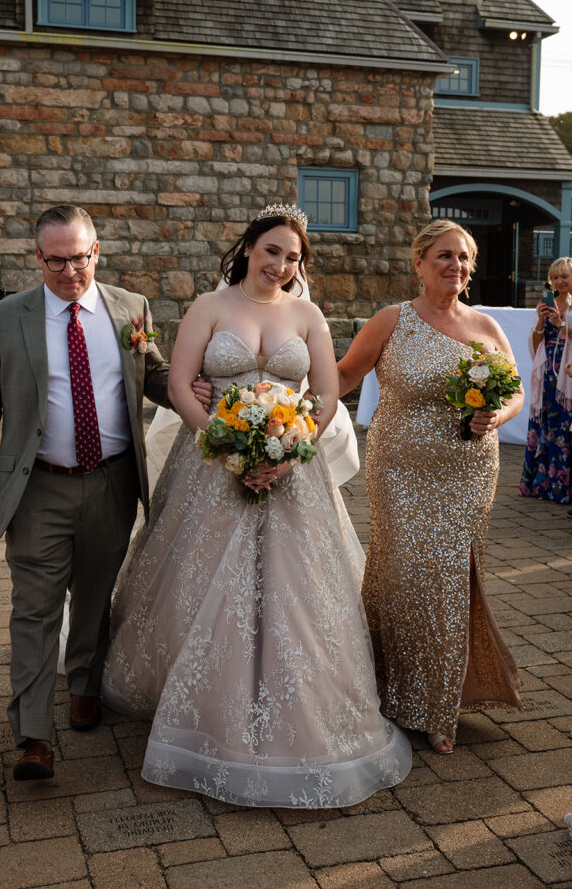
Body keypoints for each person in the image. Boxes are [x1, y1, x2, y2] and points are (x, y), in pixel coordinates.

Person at [101, 204, 412, 809]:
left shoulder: (308, 313)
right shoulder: (210, 308)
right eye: (272, 251)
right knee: (199, 581)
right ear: (248, 248)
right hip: (213, 466)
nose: (281, 265)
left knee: (300, 592)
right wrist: (224, 450)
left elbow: (324, 395)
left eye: (293, 257)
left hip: (291, 468)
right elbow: (180, 383)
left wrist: (291, 450)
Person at [0, 205, 175, 781]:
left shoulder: (131, 309)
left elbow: (152, 374)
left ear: (96, 251)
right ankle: (32, 736)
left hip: (111, 480)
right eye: (57, 260)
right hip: (37, 489)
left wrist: (211, 395)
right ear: (38, 259)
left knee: (97, 593)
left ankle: (83, 683)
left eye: (80, 258)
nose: (70, 271)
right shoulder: (8, 318)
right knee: (35, 608)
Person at [337, 219, 524, 755]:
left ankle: (437, 705)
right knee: (400, 574)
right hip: (399, 471)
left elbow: (513, 393)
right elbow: (347, 374)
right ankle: (383, 685)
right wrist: (294, 394)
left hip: (468, 474)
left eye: (464, 258)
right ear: (419, 263)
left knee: (447, 578)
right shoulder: (392, 321)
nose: (456, 266)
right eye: (444, 256)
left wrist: (496, 412)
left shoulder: (487, 326)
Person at [519, 257, 572, 505]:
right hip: (548, 372)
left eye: (565, 276)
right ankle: (542, 485)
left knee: (564, 427)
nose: (559, 281)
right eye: (555, 277)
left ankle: (563, 487)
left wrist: (561, 324)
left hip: (569, 372)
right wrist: (542, 322)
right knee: (546, 425)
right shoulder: (546, 303)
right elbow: (536, 344)